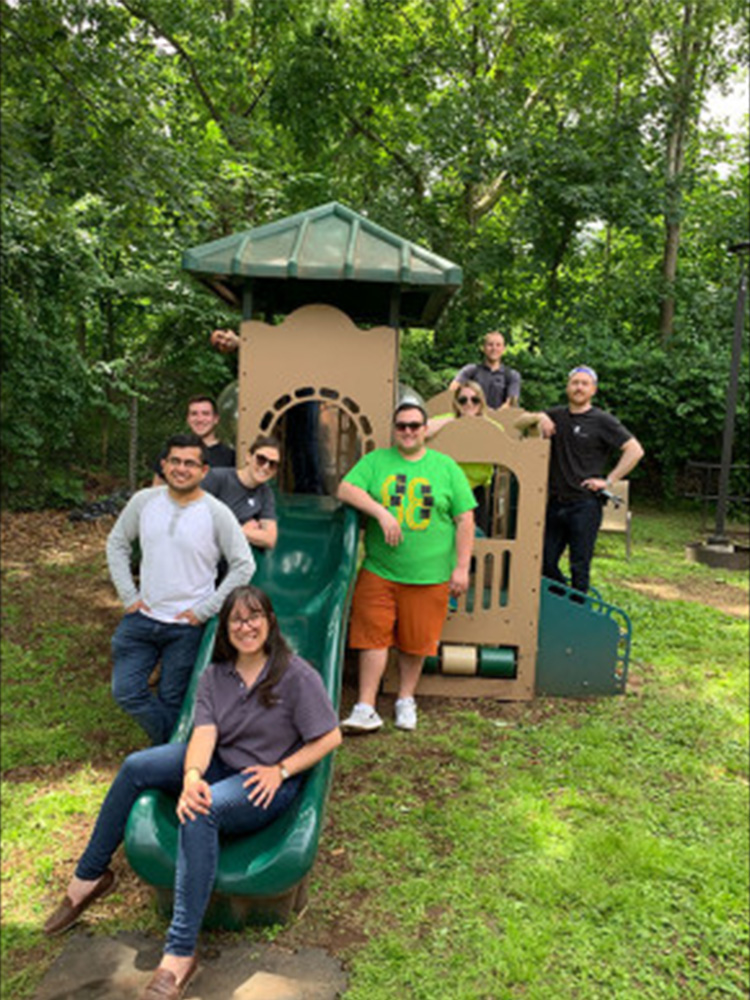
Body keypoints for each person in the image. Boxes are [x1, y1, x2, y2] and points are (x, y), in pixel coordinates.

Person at [43, 585, 342, 1000]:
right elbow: (204, 733)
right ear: (226, 629)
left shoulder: (295, 674)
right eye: (236, 619)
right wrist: (192, 777)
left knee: (202, 811)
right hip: (221, 762)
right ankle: (88, 878)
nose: (246, 626)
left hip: (265, 780)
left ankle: (181, 952)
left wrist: (282, 769)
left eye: (254, 616)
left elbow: (330, 737)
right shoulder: (216, 675)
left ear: (270, 622)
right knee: (136, 767)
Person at [337, 402, 476, 734]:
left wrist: (461, 567)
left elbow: (465, 518)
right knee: (372, 636)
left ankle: (405, 699)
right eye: (402, 426)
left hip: (429, 575)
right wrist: (381, 512)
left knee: (417, 641)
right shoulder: (376, 462)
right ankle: (366, 706)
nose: (408, 431)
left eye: (415, 425)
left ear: (426, 430)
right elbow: (345, 488)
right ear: (395, 430)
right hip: (380, 569)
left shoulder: (446, 467)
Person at [107, 433, 255, 745]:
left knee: (174, 698)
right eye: (175, 461)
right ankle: (172, 750)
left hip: (188, 626)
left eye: (190, 463)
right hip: (142, 617)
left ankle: (168, 760)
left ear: (203, 471)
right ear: (164, 465)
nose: (181, 469)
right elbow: (117, 543)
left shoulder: (216, 512)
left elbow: (244, 564)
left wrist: (206, 610)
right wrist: (128, 596)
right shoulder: (144, 502)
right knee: (126, 692)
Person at [529, 365, 644, 594]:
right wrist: (539, 416)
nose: (579, 387)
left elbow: (635, 450)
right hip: (554, 503)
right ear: (567, 387)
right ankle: (566, 599)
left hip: (585, 505)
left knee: (580, 566)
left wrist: (608, 481)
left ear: (593, 390)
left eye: (584, 384)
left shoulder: (602, 421)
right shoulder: (555, 416)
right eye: (575, 383)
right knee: (544, 562)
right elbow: (520, 420)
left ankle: (579, 613)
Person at [210, 328, 325, 494]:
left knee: (307, 437)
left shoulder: (253, 340)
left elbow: (275, 353)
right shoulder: (243, 357)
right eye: (218, 345)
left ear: (230, 332)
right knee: (294, 440)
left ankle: (313, 488)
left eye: (221, 336)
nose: (222, 342)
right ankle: (302, 487)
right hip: (285, 396)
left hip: (303, 386)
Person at [427, 381, 504, 534]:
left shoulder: (491, 427)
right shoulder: (449, 420)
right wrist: (456, 419)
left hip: (475, 491)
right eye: (463, 400)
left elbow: (503, 445)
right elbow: (423, 430)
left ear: (481, 402)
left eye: (474, 400)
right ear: (457, 403)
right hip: (447, 488)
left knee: (475, 534)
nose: (469, 404)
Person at [202, 435, 281, 550]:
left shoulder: (265, 493)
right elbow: (195, 519)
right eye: (261, 459)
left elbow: (270, 539)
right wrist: (246, 530)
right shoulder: (217, 478)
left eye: (272, 464)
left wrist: (239, 530)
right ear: (248, 457)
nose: (265, 467)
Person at [152, 395, 235, 486]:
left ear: (216, 419)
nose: (199, 419)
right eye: (194, 414)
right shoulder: (172, 452)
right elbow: (156, 490)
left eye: (205, 414)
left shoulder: (230, 456)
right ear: (188, 419)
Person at [449, 330, 521, 410]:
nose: (494, 348)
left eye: (498, 345)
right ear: (483, 348)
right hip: (472, 418)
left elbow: (511, 403)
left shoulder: (512, 375)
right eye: (490, 345)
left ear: (503, 349)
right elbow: (452, 392)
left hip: (499, 419)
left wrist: (492, 414)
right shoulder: (470, 371)